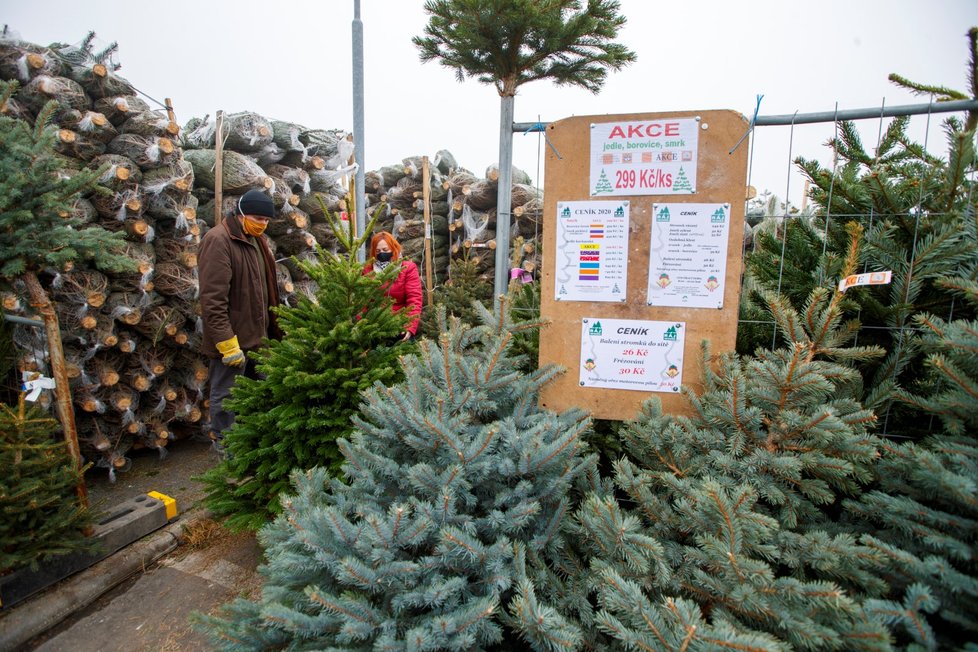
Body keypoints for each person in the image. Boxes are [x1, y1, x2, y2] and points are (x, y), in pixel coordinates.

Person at [198, 188, 283, 451]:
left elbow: (266, 288)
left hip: (259, 337)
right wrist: (226, 342)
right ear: (242, 213)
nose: (262, 224)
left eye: (267, 221)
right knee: (226, 398)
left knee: (262, 394)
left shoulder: (258, 240)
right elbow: (213, 299)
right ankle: (228, 451)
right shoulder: (219, 240)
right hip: (233, 342)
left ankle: (256, 448)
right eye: (258, 218)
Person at [363, 231, 422, 341]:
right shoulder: (368, 270)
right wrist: (363, 327)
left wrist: (409, 326)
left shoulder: (407, 268)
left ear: (393, 248)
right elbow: (362, 302)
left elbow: (414, 299)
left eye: (385, 250)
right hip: (374, 327)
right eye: (378, 251)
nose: (382, 253)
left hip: (400, 325)